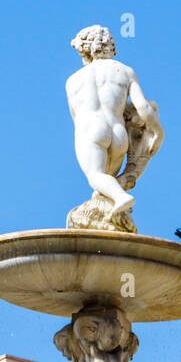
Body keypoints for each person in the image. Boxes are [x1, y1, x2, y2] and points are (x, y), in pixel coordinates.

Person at [66, 25, 163, 221]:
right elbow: (143, 107)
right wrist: (157, 130)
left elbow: (77, 119)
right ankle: (110, 204)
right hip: (119, 134)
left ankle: (120, 196)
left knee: (95, 175)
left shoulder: (73, 80)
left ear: (85, 50)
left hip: (91, 131)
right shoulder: (126, 72)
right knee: (106, 181)